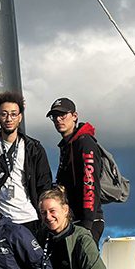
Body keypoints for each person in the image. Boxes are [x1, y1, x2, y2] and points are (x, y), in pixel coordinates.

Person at [0, 91, 52, 235]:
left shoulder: (34, 149)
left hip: (28, 218)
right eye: (4, 114)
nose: (9, 119)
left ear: (20, 117)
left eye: (13, 114)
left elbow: (44, 185)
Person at [47, 97, 105, 244]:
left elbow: (90, 183)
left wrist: (87, 225)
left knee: (84, 259)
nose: (58, 119)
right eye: (54, 116)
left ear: (74, 116)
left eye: (62, 115)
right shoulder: (67, 145)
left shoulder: (84, 143)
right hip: (73, 220)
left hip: (87, 221)